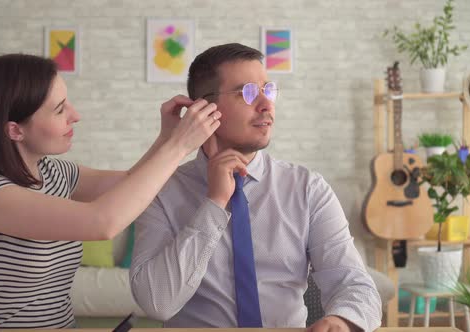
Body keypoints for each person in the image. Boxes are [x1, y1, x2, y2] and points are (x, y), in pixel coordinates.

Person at [0, 53, 221, 329]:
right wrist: (180, 145)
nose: (75, 116)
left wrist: (167, 137)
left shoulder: (54, 172)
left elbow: (131, 182)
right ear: (15, 130)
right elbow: (101, 223)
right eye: (59, 109)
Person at [129, 43, 382, 332]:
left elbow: (355, 285)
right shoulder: (162, 191)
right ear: (204, 109)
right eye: (247, 92)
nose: (266, 105)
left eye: (268, 90)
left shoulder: (307, 189)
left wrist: (342, 321)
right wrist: (214, 204)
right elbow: (156, 302)